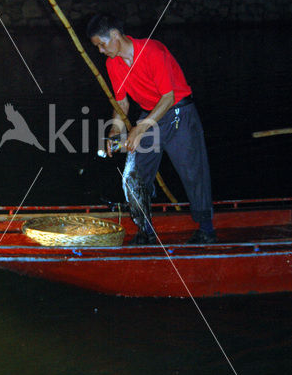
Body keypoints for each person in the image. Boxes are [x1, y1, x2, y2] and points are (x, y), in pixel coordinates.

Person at [87, 13, 216, 244]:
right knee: (134, 176)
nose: (100, 51)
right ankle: (146, 230)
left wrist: (139, 128)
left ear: (115, 35)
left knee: (193, 172)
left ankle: (206, 229)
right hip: (150, 115)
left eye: (101, 45)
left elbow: (168, 97)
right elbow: (122, 103)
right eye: (97, 47)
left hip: (179, 113)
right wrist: (114, 132)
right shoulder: (112, 63)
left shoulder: (152, 51)